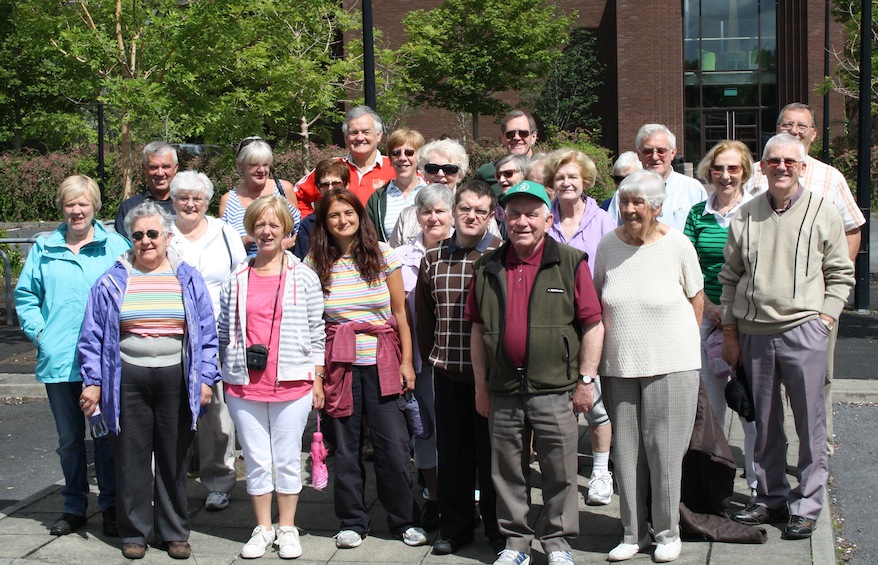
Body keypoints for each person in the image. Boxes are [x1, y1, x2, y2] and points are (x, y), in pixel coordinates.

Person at [721, 134, 854, 540]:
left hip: (804, 331)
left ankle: (808, 503)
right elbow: (729, 278)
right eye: (773, 160)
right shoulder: (744, 216)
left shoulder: (823, 211)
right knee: (764, 423)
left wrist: (825, 319)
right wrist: (730, 330)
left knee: (809, 423)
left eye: (789, 162)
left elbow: (840, 272)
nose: (781, 167)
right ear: (761, 167)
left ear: (801, 166)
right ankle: (770, 497)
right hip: (755, 333)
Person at [466, 180, 604, 565]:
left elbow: (593, 325)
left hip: (556, 389)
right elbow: (477, 329)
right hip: (504, 389)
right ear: (502, 217)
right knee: (507, 471)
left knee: (560, 469)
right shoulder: (486, 266)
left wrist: (586, 380)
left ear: (547, 217)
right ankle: (515, 544)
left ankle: (558, 543)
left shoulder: (571, 261)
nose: (522, 221)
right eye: (514, 214)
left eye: (531, 213)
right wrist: (481, 385)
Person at [78, 202, 220, 560]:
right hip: (127, 379)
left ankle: (174, 532)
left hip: (176, 377)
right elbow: (92, 337)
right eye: (138, 235)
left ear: (168, 236)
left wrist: (205, 379)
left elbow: (206, 333)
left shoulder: (187, 278)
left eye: (153, 233)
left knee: (173, 458)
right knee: (130, 458)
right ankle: (135, 533)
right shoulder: (111, 281)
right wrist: (93, 382)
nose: (146, 241)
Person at [593, 170, 704, 563]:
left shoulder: (678, 244)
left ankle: (668, 532)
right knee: (625, 453)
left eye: (638, 203)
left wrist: (684, 345)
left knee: (664, 451)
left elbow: (696, 298)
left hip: (672, 364)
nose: (629, 209)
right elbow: (599, 298)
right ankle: (632, 532)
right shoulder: (608, 245)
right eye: (624, 202)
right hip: (619, 363)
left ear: (657, 207)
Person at [306, 188, 427, 549]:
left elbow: (400, 314)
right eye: (333, 215)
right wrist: (317, 376)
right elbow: (313, 321)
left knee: (392, 445)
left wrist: (407, 361)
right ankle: (353, 521)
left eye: (348, 213)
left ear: (360, 215)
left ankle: (404, 518)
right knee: (344, 447)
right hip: (339, 365)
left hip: (383, 361)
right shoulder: (315, 263)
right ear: (324, 223)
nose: (343, 220)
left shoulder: (383, 255)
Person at [744, 102, 865, 455]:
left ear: (813, 134)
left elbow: (852, 229)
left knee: (817, 379)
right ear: (775, 128)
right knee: (767, 386)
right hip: (763, 304)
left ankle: (817, 448)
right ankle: (772, 454)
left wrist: (831, 292)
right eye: (787, 124)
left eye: (802, 126)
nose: (794, 130)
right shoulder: (755, 174)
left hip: (814, 305)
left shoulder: (830, 178)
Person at [14, 175, 131, 538]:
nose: (76, 210)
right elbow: (26, 296)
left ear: (95, 206)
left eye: (83, 203)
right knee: (69, 440)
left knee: (108, 437)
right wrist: (41, 332)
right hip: (60, 358)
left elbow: (134, 289)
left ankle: (111, 505)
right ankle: (74, 505)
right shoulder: (43, 248)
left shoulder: (115, 246)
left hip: (105, 360)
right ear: (61, 207)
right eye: (70, 204)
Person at [217, 196, 326, 559]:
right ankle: (263, 528)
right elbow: (222, 331)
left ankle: (287, 527)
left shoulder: (304, 276)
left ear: (286, 232)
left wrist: (318, 379)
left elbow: (317, 331)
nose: (266, 231)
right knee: (257, 458)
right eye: (259, 225)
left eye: (273, 225)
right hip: (244, 383)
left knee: (286, 457)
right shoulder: (236, 277)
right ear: (251, 229)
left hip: (292, 381)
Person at [416, 180, 504, 556]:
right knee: (452, 455)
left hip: (494, 378)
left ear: (490, 216)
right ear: (454, 211)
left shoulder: (503, 255)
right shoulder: (433, 258)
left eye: (480, 211)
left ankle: (500, 530)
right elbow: (424, 318)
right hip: (449, 372)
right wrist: (433, 357)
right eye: (465, 208)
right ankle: (455, 527)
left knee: (494, 457)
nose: (471, 216)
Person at [168, 171, 247, 513]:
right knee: (171, 410)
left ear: (207, 201)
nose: (190, 204)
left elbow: (240, 277)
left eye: (196, 198)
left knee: (216, 413)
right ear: (172, 200)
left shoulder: (224, 232)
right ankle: (173, 482)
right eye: (183, 197)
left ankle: (218, 482)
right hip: (171, 333)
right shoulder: (162, 231)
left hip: (217, 333)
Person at [683, 141, 758, 501]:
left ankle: (759, 484)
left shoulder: (756, 212)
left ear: (744, 171)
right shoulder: (698, 213)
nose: (725, 176)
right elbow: (687, 263)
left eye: (733, 168)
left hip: (746, 317)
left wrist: (732, 312)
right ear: (708, 172)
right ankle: (715, 481)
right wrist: (709, 305)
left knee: (748, 403)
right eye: (718, 168)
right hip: (705, 312)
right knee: (709, 404)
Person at [543, 149, 616, 505]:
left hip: (592, 322)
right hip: (551, 323)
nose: (566, 183)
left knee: (597, 403)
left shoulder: (603, 221)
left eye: (573, 177)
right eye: (559, 178)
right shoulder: (544, 220)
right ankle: (563, 475)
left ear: (586, 181)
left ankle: (601, 472)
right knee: (558, 405)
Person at [394, 183, 455, 532]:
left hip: (460, 362)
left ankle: (464, 495)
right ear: (417, 216)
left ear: (452, 215)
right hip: (420, 361)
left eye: (440, 211)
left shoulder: (468, 252)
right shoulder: (401, 258)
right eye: (426, 211)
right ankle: (433, 496)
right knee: (426, 431)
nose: (433, 217)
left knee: (459, 432)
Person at [294, 106, 396, 215]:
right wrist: (309, 224)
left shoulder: (396, 167)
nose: (360, 138)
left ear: (379, 135)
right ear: (345, 137)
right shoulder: (332, 167)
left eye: (366, 132)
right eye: (354, 133)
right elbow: (297, 195)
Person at [607, 124, 706, 231]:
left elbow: (704, 233)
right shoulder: (624, 192)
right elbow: (611, 232)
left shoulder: (693, 189)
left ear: (673, 153)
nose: (654, 157)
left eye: (661, 151)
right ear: (639, 155)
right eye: (648, 151)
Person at [218, 137, 301, 257]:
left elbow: (301, 230)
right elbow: (223, 246)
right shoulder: (228, 201)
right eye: (254, 165)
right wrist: (248, 239)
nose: (261, 170)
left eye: (265, 165)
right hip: (244, 268)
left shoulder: (283, 189)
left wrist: (287, 243)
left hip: (282, 262)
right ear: (240, 165)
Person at [388, 138, 469, 247]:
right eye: (432, 168)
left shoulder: (476, 213)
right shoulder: (407, 216)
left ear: (460, 174)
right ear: (424, 173)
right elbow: (393, 258)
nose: (440, 174)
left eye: (449, 169)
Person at [366, 128, 427, 242]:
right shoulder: (377, 199)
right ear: (390, 158)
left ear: (419, 157)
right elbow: (369, 239)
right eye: (396, 153)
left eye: (409, 152)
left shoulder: (430, 193)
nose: (402, 158)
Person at [114, 142, 179, 238]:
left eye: (166, 166)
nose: (160, 173)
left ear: (175, 168)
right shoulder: (130, 207)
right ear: (144, 169)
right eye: (154, 167)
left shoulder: (186, 207)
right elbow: (122, 247)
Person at [293, 159, 350, 260]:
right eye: (324, 185)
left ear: (346, 185)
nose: (330, 189)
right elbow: (302, 262)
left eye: (336, 183)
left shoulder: (356, 218)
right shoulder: (309, 224)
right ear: (318, 187)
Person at [475, 110, 539, 196]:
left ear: (533, 137)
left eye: (523, 133)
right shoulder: (487, 172)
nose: (516, 137)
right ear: (502, 137)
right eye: (510, 134)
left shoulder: (546, 169)